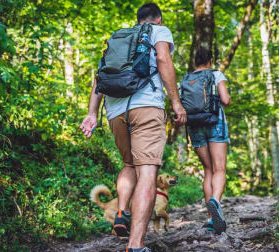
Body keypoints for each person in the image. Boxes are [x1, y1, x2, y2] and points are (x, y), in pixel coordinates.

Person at [80, 3, 186, 252]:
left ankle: (121, 211)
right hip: (146, 106)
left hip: (115, 111)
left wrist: (92, 113)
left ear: (137, 19)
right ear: (158, 19)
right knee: (148, 172)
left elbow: (100, 76)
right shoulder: (159, 31)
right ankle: (135, 245)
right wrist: (176, 102)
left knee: (129, 165)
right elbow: (163, 58)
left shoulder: (119, 37)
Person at [187, 46, 231, 234]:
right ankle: (215, 201)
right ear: (210, 60)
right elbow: (226, 100)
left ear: (195, 61)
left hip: (195, 125)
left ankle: (211, 217)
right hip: (215, 122)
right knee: (219, 168)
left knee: (208, 170)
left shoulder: (187, 78)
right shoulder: (216, 74)